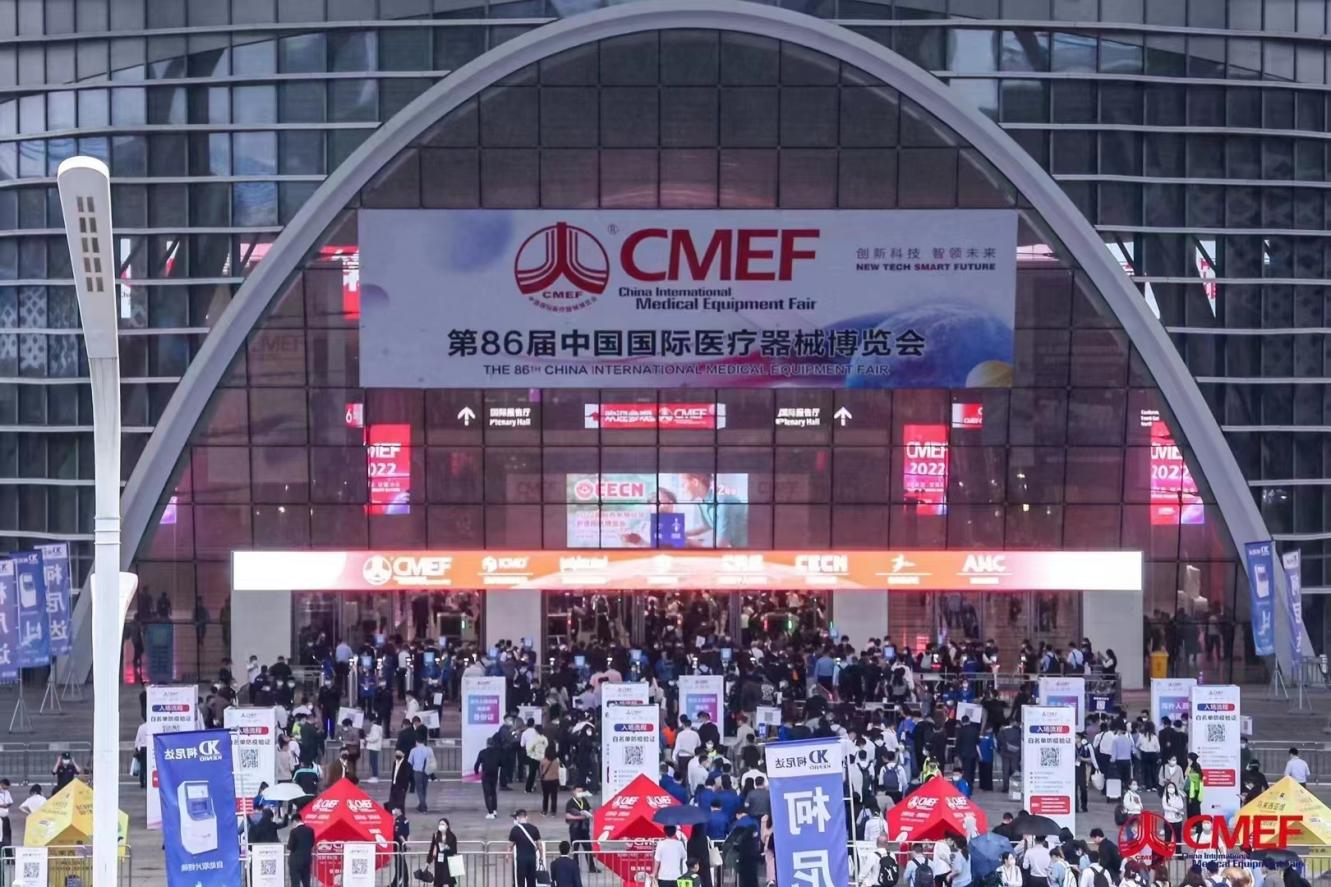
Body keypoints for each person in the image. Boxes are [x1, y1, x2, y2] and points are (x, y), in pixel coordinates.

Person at [565, 784, 597, 872]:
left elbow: (589, 809)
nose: (580, 793)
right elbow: (567, 816)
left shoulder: (584, 800)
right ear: (573, 792)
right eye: (578, 791)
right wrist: (579, 817)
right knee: (575, 849)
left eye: (581, 791)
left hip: (584, 829)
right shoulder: (570, 802)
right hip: (575, 829)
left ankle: (591, 867)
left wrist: (590, 813)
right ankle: (575, 867)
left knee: (588, 848)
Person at [510, 810, 543, 887]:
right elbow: (539, 845)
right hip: (532, 859)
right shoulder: (534, 828)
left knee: (520, 881)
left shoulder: (515, 829)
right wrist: (541, 856)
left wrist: (507, 856)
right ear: (526, 817)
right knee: (531, 881)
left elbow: (510, 845)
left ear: (517, 818)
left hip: (521, 859)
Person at [475, 736, 504, 820]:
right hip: (494, 774)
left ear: (487, 744)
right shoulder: (498, 752)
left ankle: (490, 812)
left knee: (487, 794)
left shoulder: (482, 752)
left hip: (485, 775)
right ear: (493, 744)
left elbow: (477, 764)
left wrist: (476, 772)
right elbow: (502, 763)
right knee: (493, 792)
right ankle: (494, 810)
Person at [288, 809, 315, 887]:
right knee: (306, 882)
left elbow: (290, 846)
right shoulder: (310, 830)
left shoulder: (294, 832)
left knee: (295, 883)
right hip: (307, 859)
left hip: (295, 861)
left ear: (294, 821)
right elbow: (312, 843)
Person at [429, 817, 458, 887]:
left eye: (443, 824)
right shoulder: (436, 835)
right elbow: (432, 848)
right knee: (439, 880)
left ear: (447, 826)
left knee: (449, 880)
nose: (441, 826)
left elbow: (454, 850)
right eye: (440, 824)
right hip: (439, 861)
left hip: (449, 860)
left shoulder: (452, 836)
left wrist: (447, 848)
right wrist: (428, 861)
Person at [409, 737, 432, 812]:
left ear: (416, 742)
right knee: (424, 789)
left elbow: (410, 761)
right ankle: (421, 805)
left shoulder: (413, 750)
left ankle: (423, 805)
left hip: (417, 771)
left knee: (419, 789)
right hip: (426, 771)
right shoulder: (429, 749)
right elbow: (432, 760)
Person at [390, 808, 410, 887]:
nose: (393, 810)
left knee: (400, 864)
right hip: (402, 845)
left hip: (399, 846)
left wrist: (405, 843)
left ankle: (402, 882)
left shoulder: (398, 821)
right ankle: (397, 882)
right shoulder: (405, 819)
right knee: (401, 864)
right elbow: (407, 833)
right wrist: (407, 843)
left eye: (395, 809)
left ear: (399, 810)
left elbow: (399, 834)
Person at [388, 749, 412, 814]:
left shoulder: (407, 764)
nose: (397, 754)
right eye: (396, 753)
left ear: (403, 754)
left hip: (401, 787)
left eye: (399, 753)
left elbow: (406, 777)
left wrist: (404, 787)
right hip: (394, 786)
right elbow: (393, 775)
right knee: (391, 804)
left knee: (400, 804)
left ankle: (402, 817)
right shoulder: (394, 763)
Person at [539, 746, 561, 815]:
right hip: (555, 780)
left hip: (546, 780)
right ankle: (553, 811)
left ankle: (544, 810)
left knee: (545, 796)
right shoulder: (556, 761)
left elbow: (541, 771)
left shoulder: (543, 761)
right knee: (554, 796)